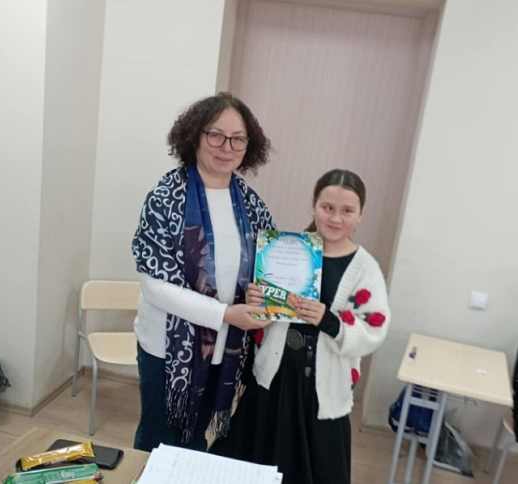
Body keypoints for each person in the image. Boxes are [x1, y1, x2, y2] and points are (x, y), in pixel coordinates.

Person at [211, 168, 391, 484]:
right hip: (275, 375)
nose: (335, 218)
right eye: (327, 207)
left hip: (322, 389)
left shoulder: (365, 269)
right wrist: (257, 300)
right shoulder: (287, 249)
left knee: (312, 470)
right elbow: (264, 316)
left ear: (361, 214)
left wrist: (328, 320)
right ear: (313, 206)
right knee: (254, 464)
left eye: (347, 211)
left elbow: (373, 332)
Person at [131, 92, 274, 452]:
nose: (227, 147)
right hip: (168, 348)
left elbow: (265, 272)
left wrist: (260, 293)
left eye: (238, 138)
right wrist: (225, 314)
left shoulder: (251, 204)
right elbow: (155, 287)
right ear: (194, 136)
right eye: (216, 135)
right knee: (159, 441)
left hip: (224, 346)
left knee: (196, 439)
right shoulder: (165, 198)